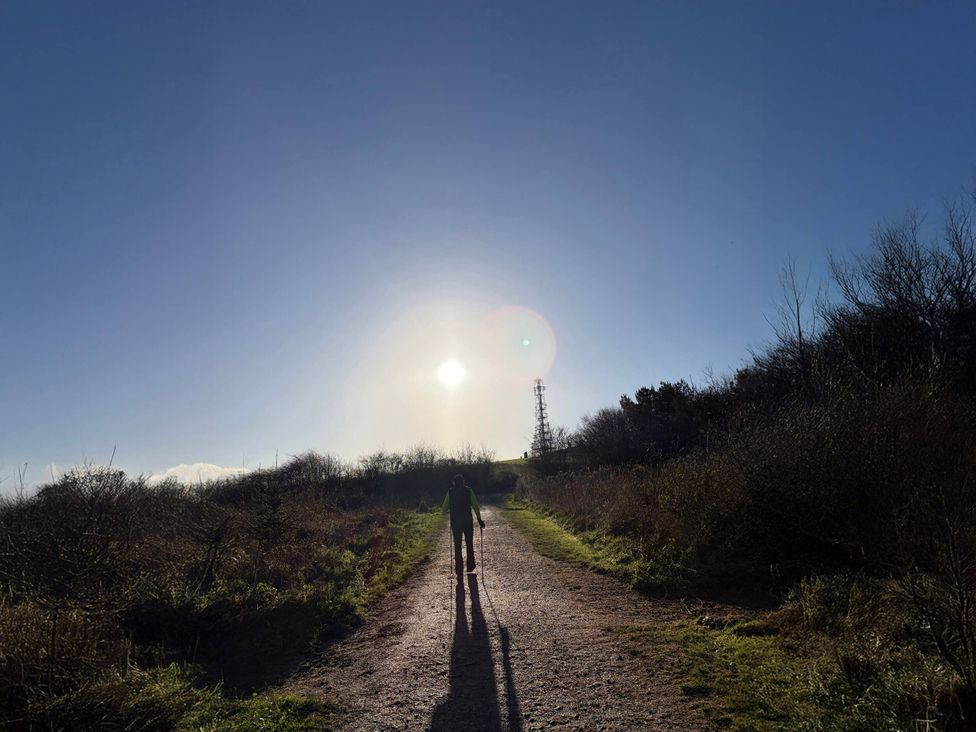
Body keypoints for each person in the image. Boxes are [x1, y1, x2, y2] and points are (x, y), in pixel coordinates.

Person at [441, 474, 486, 583]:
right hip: (467, 521)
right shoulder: (468, 491)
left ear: (454, 482)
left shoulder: (450, 492)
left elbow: (443, 509)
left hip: (455, 522)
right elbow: (475, 505)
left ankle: (459, 569)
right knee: (469, 543)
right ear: (463, 482)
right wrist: (479, 519)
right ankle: (470, 566)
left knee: (457, 545)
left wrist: (450, 509)